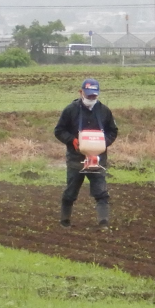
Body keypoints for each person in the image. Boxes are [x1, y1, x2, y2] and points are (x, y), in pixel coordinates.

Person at [54, 78, 119, 228]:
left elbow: (113, 131)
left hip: (97, 159)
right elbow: (59, 131)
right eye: (88, 95)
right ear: (81, 92)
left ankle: (103, 223)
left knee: (101, 192)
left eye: (94, 96)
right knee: (71, 191)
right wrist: (72, 140)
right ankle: (65, 222)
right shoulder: (70, 110)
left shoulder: (104, 111)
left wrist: (103, 143)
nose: (91, 98)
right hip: (76, 159)